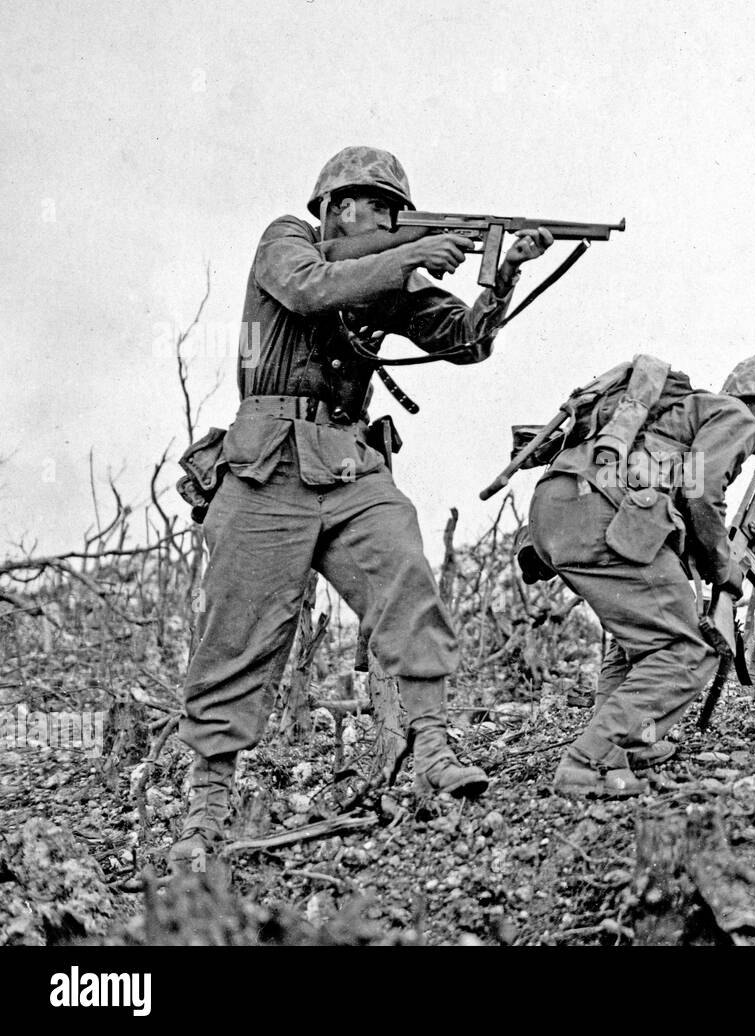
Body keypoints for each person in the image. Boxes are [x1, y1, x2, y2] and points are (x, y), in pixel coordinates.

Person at [169, 146, 553, 876]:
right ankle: (206, 810)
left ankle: (432, 744)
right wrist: (410, 251)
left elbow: (464, 341)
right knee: (237, 634)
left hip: (347, 462)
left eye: (396, 212)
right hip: (266, 466)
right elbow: (312, 290)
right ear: (339, 206)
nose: (390, 219)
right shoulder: (288, 240)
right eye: (380, 208)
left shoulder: (392, 275)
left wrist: (502, 274)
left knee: (405, 571)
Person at [524, 354, 755, 797]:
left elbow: (682, 491)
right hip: (600, 509)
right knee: (686, 649)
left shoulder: (679, 420)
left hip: (560, 506)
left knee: (639, 640)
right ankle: (592, 761)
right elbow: (702, 493)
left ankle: (628, 748)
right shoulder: (733, 415)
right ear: (749, 398)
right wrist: (724, 567)